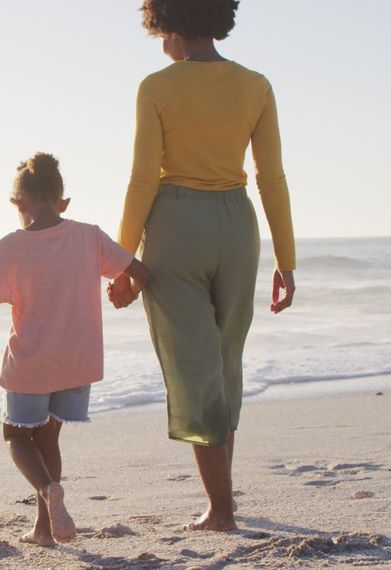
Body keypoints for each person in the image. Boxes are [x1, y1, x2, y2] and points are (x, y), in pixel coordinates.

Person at [109, 0, 298, 532]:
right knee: (224, 363)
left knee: (195, 370)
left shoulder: (157, 87)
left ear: (165, 20)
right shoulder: (256, 85)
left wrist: (123, 259)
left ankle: (221, 510)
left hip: (176, 226)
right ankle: (223, 498)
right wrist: (287, 259)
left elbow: (143, 179)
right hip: (239, 227)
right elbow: (272, 178)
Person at [0, 153, 150, 546]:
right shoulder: (89, 236)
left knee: (15, 436)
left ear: (17, 203)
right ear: (63, 202)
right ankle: (45, 528)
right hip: (77, 364)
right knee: (48, 440)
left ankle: (46, 489)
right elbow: (140, 273)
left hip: (31, 365)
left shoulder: (11, 248)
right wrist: (126, 293)